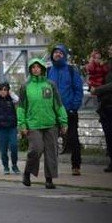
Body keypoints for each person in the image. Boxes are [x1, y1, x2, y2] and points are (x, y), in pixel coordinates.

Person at [18, 56, 67, 189]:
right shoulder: (25, 86)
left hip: (51, 124)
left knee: (51, 152)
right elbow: (21, 107)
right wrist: (22, 125)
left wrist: (63, 122)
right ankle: (27, 173)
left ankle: (49, 180)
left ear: (43, 69)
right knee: (36, 149)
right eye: (33, 67)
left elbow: (58, 104)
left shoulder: (50, 85)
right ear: (30, 70)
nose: (36, 69)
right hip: (33, 125)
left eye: (38, 67)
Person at [46, 43, 84, 175]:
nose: (58, 54)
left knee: (73, 138)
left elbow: (78, 90)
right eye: (55, 52)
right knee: (51, 141)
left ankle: (76, 165)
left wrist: (74, 107)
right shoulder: (48, 71)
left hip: (69, 110)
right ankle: (51, 167)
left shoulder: (71, 70)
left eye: (60, 53)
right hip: (52, 112)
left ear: (64, 55)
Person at [94, 62, 112, 173]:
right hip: (106, 106)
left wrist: (97, 90)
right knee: (109, 136)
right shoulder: (106, 66)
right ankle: (111, 161)